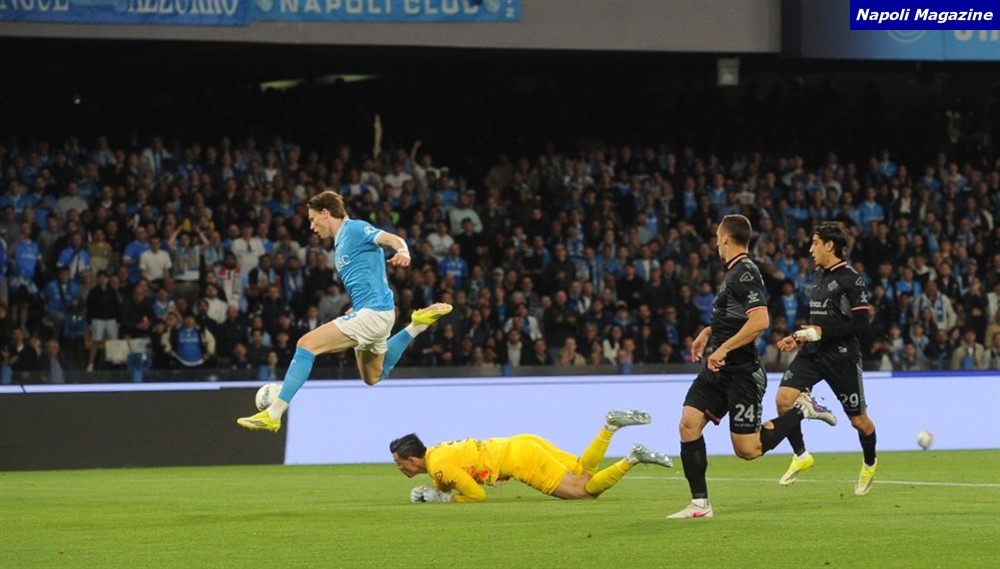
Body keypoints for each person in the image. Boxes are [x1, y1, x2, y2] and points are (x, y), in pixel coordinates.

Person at [238, 191, 452, 432]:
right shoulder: (340, 242)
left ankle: (274, 413)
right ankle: (416, 325)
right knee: (373, 377)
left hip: (373, 313)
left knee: (306, 345)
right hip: (377, 313)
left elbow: (392, 238)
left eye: (312, 219)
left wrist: (403, 252)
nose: (311, 226)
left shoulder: (354, 229)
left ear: (325, 213)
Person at [669, 215, 836, 519]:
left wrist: (722, 348)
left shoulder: (744, 272)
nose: (715, 243)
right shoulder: (733, 272)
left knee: (748, 450)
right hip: (718, 370)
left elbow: (760, 321)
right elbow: (734, 317)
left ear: (725, 238)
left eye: (717, 237)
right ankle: (700, 504)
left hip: (742, 374)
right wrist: (708, 333)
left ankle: (801, 409)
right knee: (688, 424)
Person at [775, 221, 879, 496]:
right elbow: (819, 321)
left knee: (859, 422)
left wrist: (820, 332)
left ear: (830, 245)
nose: (810, 249)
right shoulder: (819, 275)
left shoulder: (851, 279)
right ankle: (801, 455)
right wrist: (801, 336)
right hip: (813, 353)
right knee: (783, 400)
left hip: (842, 357)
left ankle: (870, 462)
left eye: (815, 243)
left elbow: (861, 323)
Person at [391, 410, 672, 503]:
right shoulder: (437, 452)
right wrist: (433, 491)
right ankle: (609, 427)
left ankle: (632, 458)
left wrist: (441, 499)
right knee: (584, 472)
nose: (398, 466)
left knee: (583, 493)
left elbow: (476, 496)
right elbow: (448, 479)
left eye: (398, 462)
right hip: (524, 442)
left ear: (412, 460)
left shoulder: (438, 465)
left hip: (521, 460)